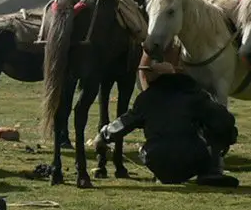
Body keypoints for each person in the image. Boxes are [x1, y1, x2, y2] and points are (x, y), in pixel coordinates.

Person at [94, 46, 240, 188]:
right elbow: (223, 120)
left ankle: (166, 175)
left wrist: (103, 135)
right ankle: (210, 171)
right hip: (194, 159)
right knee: (214, 124)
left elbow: (125, 122)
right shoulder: (194, 95)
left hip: (156, 159)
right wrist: (228, 137)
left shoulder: (146, 100)